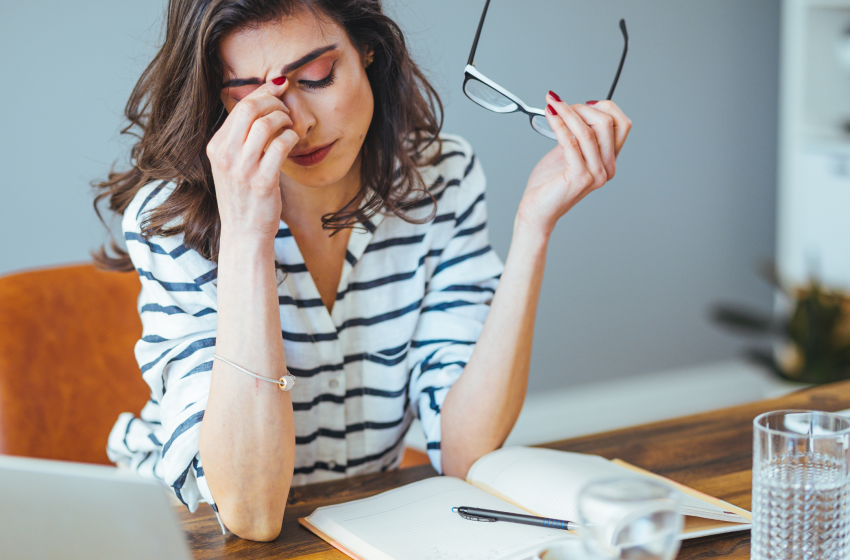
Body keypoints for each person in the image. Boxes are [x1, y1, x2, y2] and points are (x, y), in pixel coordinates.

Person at [96, 0, 631, 542]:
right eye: (252, 99)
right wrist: (246, 234)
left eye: (316, 77)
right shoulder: (173, 220)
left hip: (359, 527)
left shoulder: (440, 179)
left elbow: (466, 451)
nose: (299, 124)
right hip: (182, 532)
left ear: (368, 50)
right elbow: (250, 512)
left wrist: (533, 227)